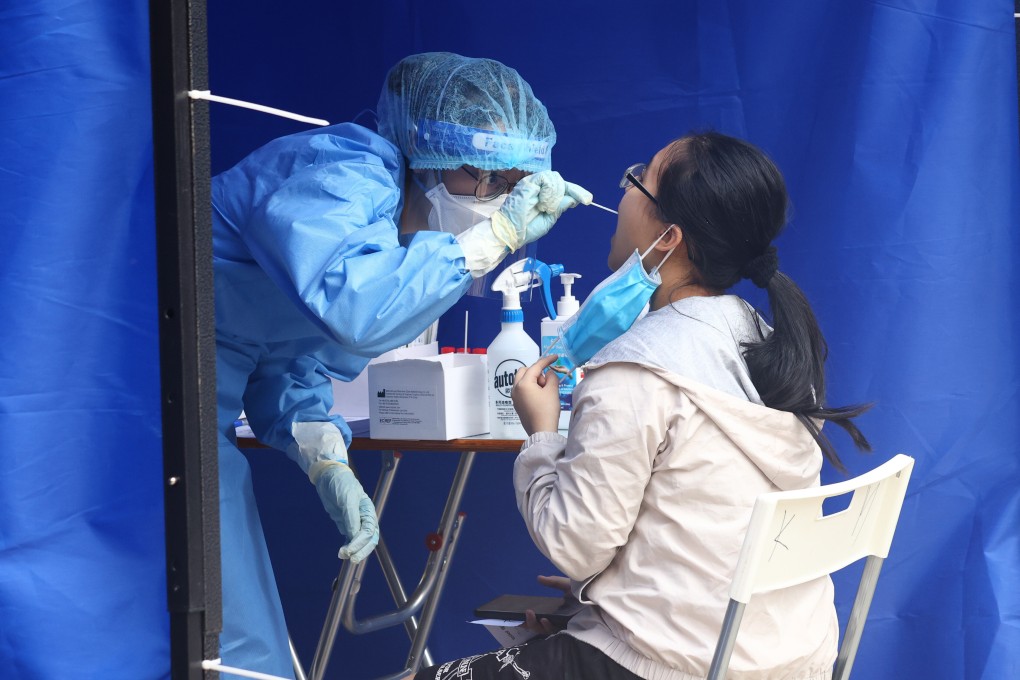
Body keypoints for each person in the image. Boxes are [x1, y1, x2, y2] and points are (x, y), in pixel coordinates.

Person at [414, 131, 871, 680]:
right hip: (779, 659)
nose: (623, 189)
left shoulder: (637, 369)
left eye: (640, 179)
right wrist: (616, 591)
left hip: (665, 666)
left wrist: (540, 434)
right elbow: (704, 509)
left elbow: (572, 544)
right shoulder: (769, 344)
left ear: (668, 238)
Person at [212, 52, 592, 677]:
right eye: (485, 178)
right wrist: (492, 237)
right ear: (427, 153)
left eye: (514, 185)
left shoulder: (397, 238)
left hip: (194, 407)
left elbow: (291, 365)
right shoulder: (342, 174)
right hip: (140, 386)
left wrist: (324, 457)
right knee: (226, 642)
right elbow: (354, 310)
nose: (497, 199)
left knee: (235, 639)